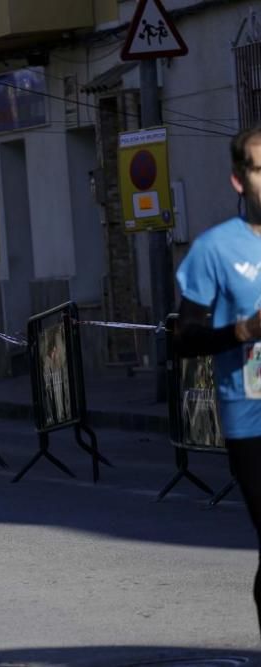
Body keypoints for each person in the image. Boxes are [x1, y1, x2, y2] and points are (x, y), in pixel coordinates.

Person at [175, 124, 261, 638]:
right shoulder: (214, 249)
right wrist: (243, 330)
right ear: (239, 180)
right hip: (251, 418)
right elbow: (184, 338)